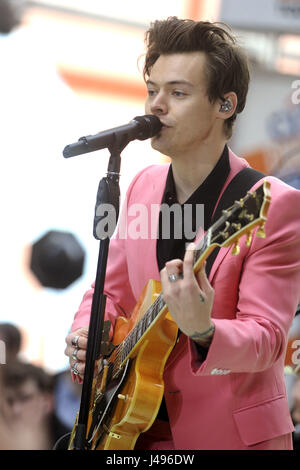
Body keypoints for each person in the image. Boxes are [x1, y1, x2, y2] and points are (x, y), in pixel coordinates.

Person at [64, 17, 300, 450]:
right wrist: (88, 333)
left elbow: (267, 339)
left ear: (225, 105)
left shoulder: (272, 204)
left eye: (177, 93)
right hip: (132, 427)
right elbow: (109, 290)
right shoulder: (140, 186)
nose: (156, 105)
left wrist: (204, 329)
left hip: (229, 437)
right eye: (153, 89)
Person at [0, 361, 69, 450]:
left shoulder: (69, 443)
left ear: (47, 401)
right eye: (10, 401)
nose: (15, 409)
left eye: (25, 398)